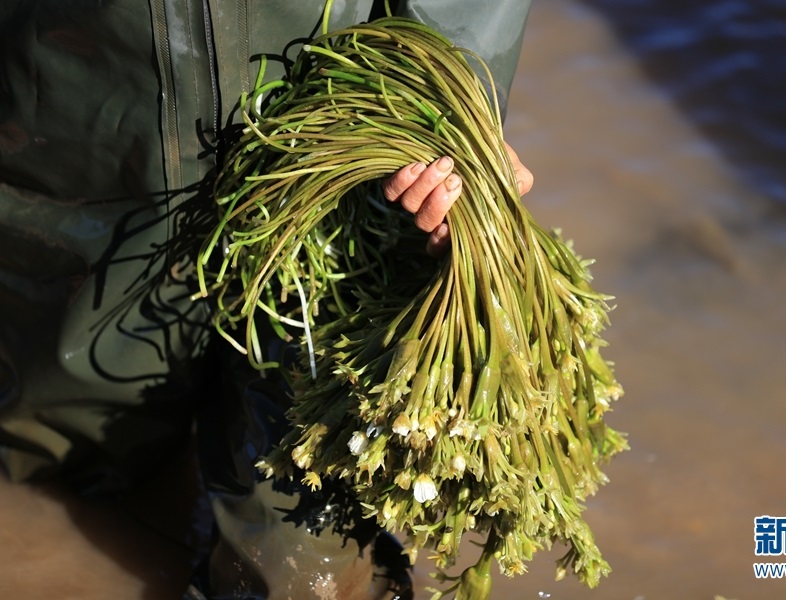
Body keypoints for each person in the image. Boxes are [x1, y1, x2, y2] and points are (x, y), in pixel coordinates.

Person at [0, 1, 533, 598]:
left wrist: (458, 97)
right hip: (82, 134)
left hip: (332, 164)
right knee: (55, 458)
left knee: (303, 560)